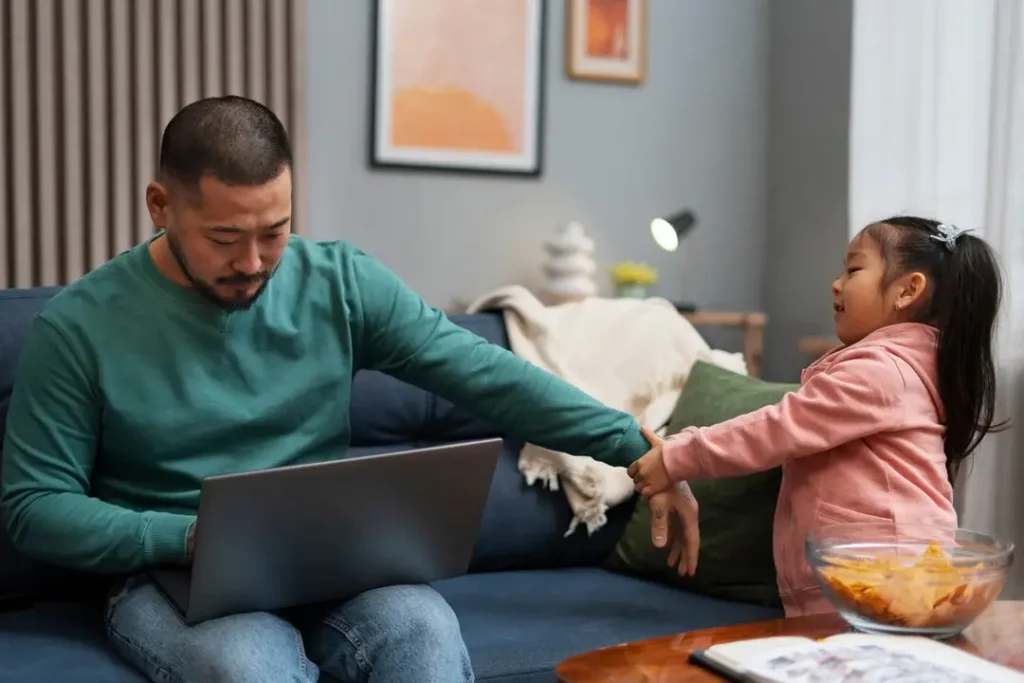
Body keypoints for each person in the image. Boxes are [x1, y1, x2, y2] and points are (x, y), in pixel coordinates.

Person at [0, 96, 698, 683]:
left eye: (274, 232)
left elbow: (487, 374)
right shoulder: (81, 327)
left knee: (424, 633)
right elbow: (33, 505)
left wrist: (641, 451)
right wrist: (185, 536)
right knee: (251, 666)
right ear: (160, 205)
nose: (252, 263)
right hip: (166, 570)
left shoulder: (337, 283)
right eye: (224, 238)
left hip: (327, 561)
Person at [628, 215, 1005, 616]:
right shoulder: (892, 368)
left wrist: (676, 456)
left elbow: (776, 429)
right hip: (864, 582)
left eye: (854, 268)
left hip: (883, 581)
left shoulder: (881, 374)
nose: (836, 282)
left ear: (907, 290)